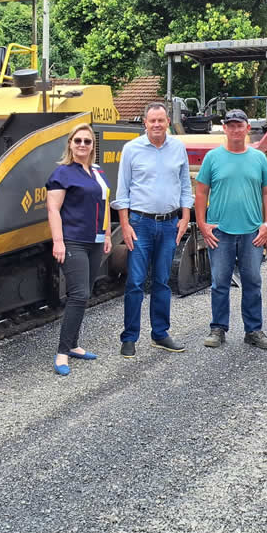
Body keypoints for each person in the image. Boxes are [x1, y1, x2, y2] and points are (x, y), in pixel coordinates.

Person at [111, 102, 193, 357]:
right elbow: (122, 191)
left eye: (161, 120)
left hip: (169, 224)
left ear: (168, 121)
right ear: (144, 123)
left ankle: (160, 334)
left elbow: (184, 185)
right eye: (152, 120)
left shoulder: (178, 147)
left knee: (161, 281)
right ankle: (129, 337)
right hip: (140, 224)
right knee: (135, 282)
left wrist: (184, 217)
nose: (156, 124)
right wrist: (124, 225)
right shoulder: (131, 150)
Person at [195, 109, 267, 349]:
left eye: (239, 125)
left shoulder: (258, 158)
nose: (235, 130)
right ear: (225, 128)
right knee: (220, 281)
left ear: (247, 128)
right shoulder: (213, 158)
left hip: (252, 231)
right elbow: (201, 191)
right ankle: (218, 328)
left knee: (252, 281)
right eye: (230, 125)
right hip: (220, 231)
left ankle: (253, 330)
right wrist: (202, 224)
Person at [45, 123, 112, 376]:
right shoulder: (62, 173)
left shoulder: (97, 172)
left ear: (93, 146)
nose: (82, 145)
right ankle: (63, 352)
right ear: (70, 145)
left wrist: (106, 234)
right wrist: (58, 241)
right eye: (78, 141)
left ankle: (74, 345)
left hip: (94, 241)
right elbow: (53, 209)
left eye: (87, 141)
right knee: (79, 294)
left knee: (86, 292)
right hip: (73, 240)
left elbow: (104, 204)